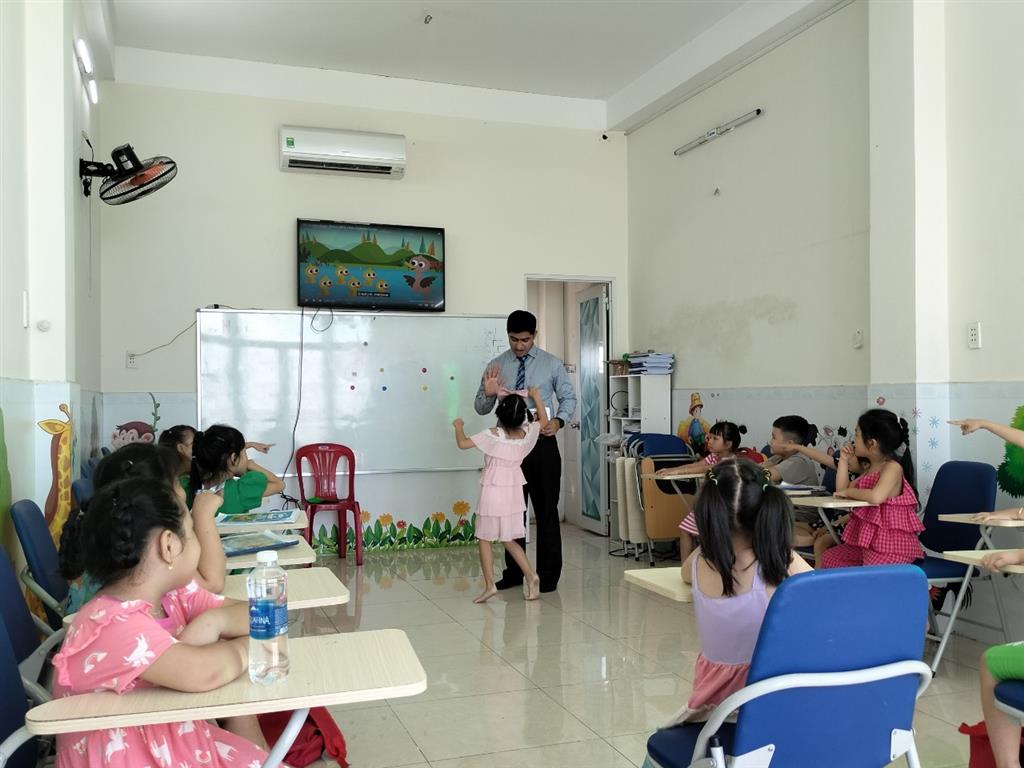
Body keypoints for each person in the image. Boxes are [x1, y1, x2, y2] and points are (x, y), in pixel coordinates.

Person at [53, 477, 269, 767]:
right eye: (192, 532)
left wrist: (215, 622)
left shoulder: (172, 596)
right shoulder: (110, 624)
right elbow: (205, 672)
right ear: (168, 545)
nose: (196, 542)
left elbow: (259, 615)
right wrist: (250, 647)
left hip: (171, 742)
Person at [661, 459, 812, 725]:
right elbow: (819, 591)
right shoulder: (780, 560)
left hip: (713, 711)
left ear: (707, 512)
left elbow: (684, 574)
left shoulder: (700, 562)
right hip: (768, 706)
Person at [474, 310, 576, 593]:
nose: (519, 345)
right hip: (508, 450)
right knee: (511, 512)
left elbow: (568, 397)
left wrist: (559, 421)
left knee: (546, 510)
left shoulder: (551, 364)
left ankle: (548, 576)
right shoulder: (496, 366)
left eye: (525, 340)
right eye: (514, 339)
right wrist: (489, 393)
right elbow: (480, 407)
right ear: (508, 335)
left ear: (534, 336)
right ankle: (514, 573)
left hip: (541, 444)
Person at [61, 443, 227, 607]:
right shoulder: (143, 547)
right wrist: (203, 514)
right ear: (156, 495)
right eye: (176, 482)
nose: (181, 490)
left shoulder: (119, 535)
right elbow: (211, 586)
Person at [454, 387, 548, 603]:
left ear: (500, 415)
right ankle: (531, 576)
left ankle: (490, 586)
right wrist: (537, 397)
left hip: (494, 490)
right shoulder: (528, 435)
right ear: (522, 416)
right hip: (513, 493)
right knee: (508, 538)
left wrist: (458, 426)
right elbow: (543, 420)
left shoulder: (493, 435)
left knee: (484, 537)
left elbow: (462, 443)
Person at [818, 409, 922, 568]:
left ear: (871, 443)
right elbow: (841, 493)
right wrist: (844, 461)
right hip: (869, 543)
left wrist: (849, 492)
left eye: (856, 435)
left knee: (869, 575)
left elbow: (876, 497)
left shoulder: (892, 468)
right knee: (830, 558)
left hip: (890, 546)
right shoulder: (870, 469)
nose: (853, 440)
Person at [656, 421, 748, 561]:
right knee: (686, 530)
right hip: (708, 505)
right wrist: (670, 470)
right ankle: (687, 566)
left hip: (722, 507)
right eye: (709, 437)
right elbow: (694, 465)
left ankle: (692, 566)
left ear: (728, 444)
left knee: (693, 533)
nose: (709, 441)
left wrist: (676, 471)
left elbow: (703, 469)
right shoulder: (714, 457)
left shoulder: (729, 462)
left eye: (715, 438)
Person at [190, 425, 284, 514]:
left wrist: (250, 445)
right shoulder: (241, 490)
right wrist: (251, 465)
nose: (246, 458)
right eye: (244, 453)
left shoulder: (189, 485)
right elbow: (279, 484)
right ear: (234, 459)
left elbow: (221, 453)